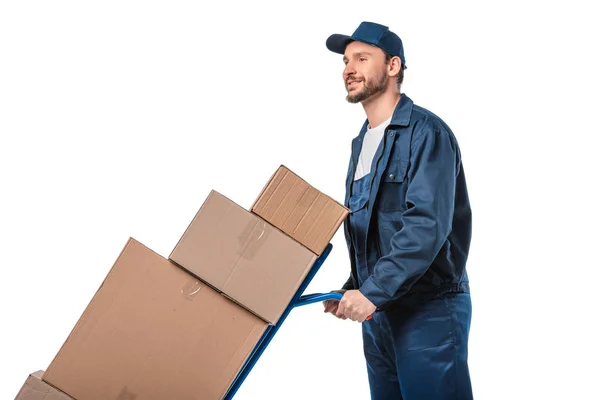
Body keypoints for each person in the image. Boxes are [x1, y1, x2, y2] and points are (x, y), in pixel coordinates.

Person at [322, 21, 474, 399]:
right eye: (345, 61)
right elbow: (375, 230)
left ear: (393, 66)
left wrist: (372, 291)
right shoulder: (362, 143)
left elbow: (425, 226)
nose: (348, 69)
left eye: (361, 58)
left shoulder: (427, 133)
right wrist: (353, 288)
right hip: (381, 314)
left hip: (429, 312)